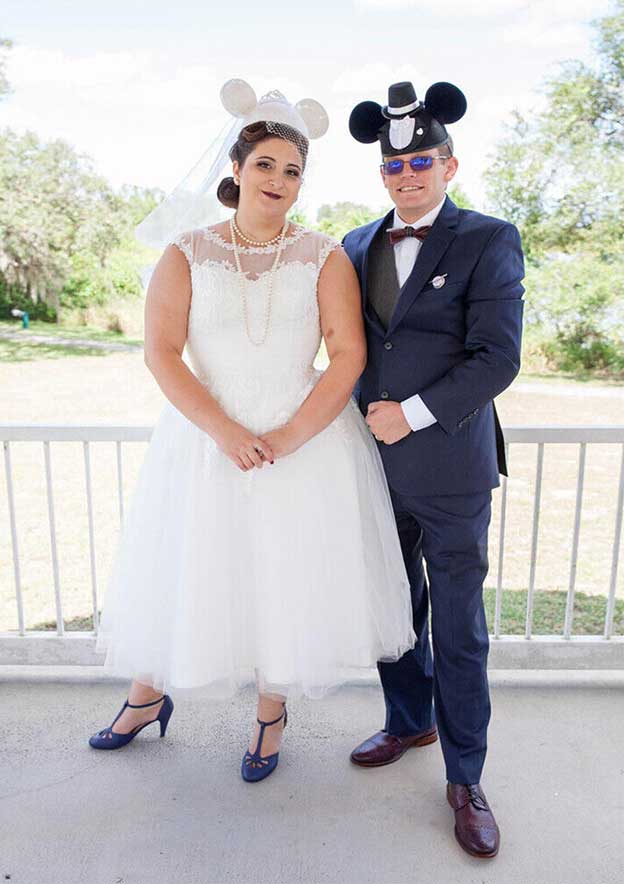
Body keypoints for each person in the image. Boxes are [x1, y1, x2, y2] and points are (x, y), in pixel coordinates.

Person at [89, 81, 416, 783]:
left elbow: (349, 354)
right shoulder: (185, 252)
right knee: (193, 566)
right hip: (208, 439)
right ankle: (147, 697)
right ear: (235, 170)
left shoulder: (325, 256)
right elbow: (161, 353)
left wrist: (293, 436)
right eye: (265, 164)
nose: (278, 180)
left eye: (293, 170)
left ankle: (271, 713)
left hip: (305, 443)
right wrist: (224, 431)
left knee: (284, 577)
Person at [342, 80, 525, 857]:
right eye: (394, 166)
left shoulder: (488, 238)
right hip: (370, 471)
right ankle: (408, 721)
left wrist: (408, 413)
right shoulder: (352, 246)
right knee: (392, 610)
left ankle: (465, 776)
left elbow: (498, 358)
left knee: (456, 628)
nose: (407, 175)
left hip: (449, 468)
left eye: (421, 160)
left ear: (449, 165)